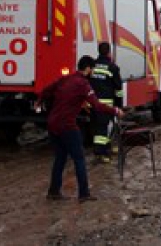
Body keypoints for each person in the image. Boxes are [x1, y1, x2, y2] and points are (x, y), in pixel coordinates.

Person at [36, 56, 124, 202]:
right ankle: (84, 194)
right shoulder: (83, 84)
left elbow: (47, 90)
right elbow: (97, 105)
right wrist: (115, 110)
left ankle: (53, 191)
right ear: (88, 68)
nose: (93, 72)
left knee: (60, 158)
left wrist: (39, 102)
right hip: (67, 126)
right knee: (79, 159)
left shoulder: (66, 78)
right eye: (92, 69)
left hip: (53, 124)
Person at [89, 42, 124, 163]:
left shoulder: (93, 66)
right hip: (106, 104)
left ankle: (107, 148)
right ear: (109, 52)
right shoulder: (112, 67)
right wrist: (119, 105)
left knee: (100, 127)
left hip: (93, 103)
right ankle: (101, 154)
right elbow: (118, 89)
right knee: (103, 129)